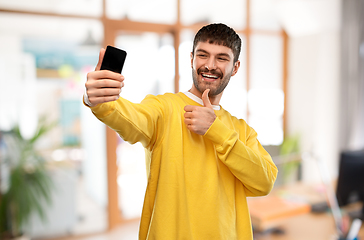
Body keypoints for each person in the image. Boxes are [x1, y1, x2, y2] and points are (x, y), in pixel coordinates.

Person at [84, 23, 278, 240]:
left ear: (235, 67)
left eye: (222, 58)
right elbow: (131, 119)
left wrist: (216, 130)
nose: (210, 65)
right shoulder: (164, 107)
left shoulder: (242, 130)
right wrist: (98, 100)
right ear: (192, 59)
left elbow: (265, 181)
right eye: (203, 55)